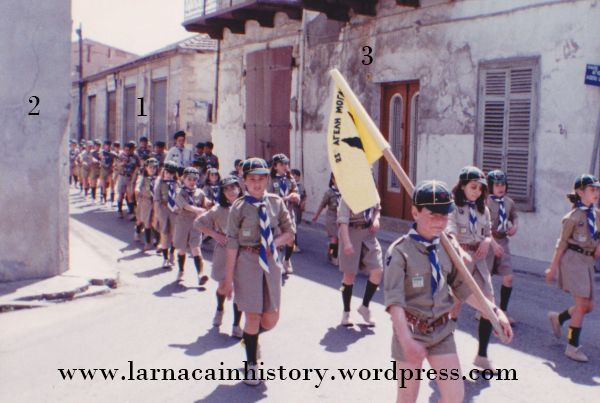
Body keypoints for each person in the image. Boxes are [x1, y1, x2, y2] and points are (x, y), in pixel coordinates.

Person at [385, 180, 513, 403]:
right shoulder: (399, 252)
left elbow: (464, 289)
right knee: (407, 396)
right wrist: (406, 340)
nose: (440, 221)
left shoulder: (448, 249)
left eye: (444, 215)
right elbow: (394, 302)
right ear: (415, 212)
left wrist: (494, 312)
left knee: (455, 396)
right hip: (410, 330)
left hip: (441, 332)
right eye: (433, 214)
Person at [218, 158, 295, 386]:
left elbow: (290, 233)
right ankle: (251, 365)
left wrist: (274, 243)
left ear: (267, 179)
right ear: (244, 181)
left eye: (261, 178)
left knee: (270, 319)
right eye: (252, 179)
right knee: (252, 315)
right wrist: (228, 279)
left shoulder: (276, 203)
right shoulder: (238, 208)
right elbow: (232, 244)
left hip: (271, 263)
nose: (257, 183)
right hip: (247, 262)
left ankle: (250, 339)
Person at [545, 174, 600, 362]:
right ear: (580, 192)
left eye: (598, 190)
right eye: (592, 190)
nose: (596, 193)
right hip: (573, 260)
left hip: (587, 262)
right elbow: (561, 244)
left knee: (588, 306)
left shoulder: (597, 214)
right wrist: (552, 268)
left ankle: (558, 318)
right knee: (582, 304)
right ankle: (572, 346)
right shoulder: (572, 217)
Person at [446, 166, 496, 371]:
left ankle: (482, 355)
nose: (476, 192)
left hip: (479, 259)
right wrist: (460, 250)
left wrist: (487, 241)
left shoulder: (483, 209)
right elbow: (449, 232)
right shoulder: (453, 207)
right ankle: (445, 352)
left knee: (489, 305)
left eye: (480, 189)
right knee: (454, 306)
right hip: (460, 259)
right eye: (473, 187)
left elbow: (488, 232)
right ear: (463, 186)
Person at [194, 175, 244, 337]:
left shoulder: (248, 206)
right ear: (222, 192)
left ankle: (236, 325)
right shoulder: (218, 210)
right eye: (227, 189)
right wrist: (215, 235)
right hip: (225, 251)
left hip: (244, 251)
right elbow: (198, 223)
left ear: (239, 188)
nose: (231, 191)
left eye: (233, 187)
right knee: (223, 286)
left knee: (240, 289)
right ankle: (220, 309)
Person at [337, 196, 383, 327]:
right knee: (349, 275)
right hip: (351, 233)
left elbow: (377, 209)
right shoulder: (348, 195)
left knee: (378, 271)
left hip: (368, 234)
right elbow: (343, 222)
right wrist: (346, 243)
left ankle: (365, 306)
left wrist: (376, 219)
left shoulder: (371, 191)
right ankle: (346, 312)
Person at [485, 170, 519, 324]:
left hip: (503, 240)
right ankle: (485, 310)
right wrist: (491, 242)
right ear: (490, 186)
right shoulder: (484, 202)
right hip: (487, 241)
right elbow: (482, 226)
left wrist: (515, 226)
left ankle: (503, 311)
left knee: (509, 277)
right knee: (486, 278)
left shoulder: (509, 202)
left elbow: (514, 215)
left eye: (503, 184)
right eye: (497, 184)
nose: (501, 187)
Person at [173, 167, 208, 284]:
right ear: (183, 179)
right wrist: (200, 210)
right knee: (182, 249)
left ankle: (200, 274)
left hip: (195, 224)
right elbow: (187, 207)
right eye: (189, 179)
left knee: (196, 248)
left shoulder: (200, 192)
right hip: (182, 223)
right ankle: (181, 271)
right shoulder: (179, 192)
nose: (192, 182)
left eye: (195, 179)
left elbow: (206, 203)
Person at [268, 153, 300, 274]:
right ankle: (277, 263)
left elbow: (296, 192)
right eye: (282, 164)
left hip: (288, 212)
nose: (285, 166)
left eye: (286, 163)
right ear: (275, 166)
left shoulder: (290, 178)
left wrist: (296, 196)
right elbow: (270, 197)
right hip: (275, 214)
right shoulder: (270, 179)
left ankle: (287, 260)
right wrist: (286, 198)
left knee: (291, 238)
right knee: (278, 239)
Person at [155, 161, 179, 267]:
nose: (169, 175)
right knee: (164, 234)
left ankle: (172, 253)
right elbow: (156, 199)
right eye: (167, 172)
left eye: (172, 173)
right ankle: (165, 258)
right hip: (163, 209)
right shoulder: (160, 182)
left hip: (174, 211)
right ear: (164, 171)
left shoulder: (177, 183)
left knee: (175, 234)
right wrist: (156, 215)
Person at [312, 173, 340, 265]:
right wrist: (316, 216)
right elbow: (322, 205)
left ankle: (331, 250)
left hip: (341, 217)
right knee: (334, 237)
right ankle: (333, 256)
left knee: (340, 238)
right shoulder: (329, 193)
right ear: (332, 180)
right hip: (332, 217)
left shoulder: (344, 192)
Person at [135, 158, 159, 251]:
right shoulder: (143, 178)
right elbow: (138, 185)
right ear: (146, 168)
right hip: (145, 202)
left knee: (155, 222)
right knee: (141, 220)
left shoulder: (158, 179)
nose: (152, 169)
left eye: (154, 168)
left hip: (155, 203)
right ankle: (138, 232)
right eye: (150, 167)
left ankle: (154, 241)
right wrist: (137, 190)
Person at [116, 141, 140, 219]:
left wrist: (134, 177)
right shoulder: (121, 155)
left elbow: (137, 167)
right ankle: (119, 210)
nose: (128, 151)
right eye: (126, 150)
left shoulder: (135, 156)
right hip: (122, 176)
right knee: (121, 194)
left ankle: (131, 212)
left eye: (130, 150)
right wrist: (122, 163)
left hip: (131, 178)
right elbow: (116, 165)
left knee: (130, 195)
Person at [290, 168, 306, 252]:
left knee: (296, 225)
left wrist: (303, 203)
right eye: (293, 176)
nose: (295, 178)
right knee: (293, 226)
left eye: (297, 176)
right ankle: (293, 245)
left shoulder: (301, 186)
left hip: (298, 209)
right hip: (291, 208)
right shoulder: (289, 185)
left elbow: (304, 195)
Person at [99, 140, 117, 204]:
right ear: (104, 146)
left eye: (109, 145)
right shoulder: (101, 153)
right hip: (103, 170)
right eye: (106, 145)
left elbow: (117, 159)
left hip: (110, 170)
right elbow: (100, 159)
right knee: (103, 185)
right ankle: (104, 199)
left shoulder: (113, 153)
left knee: (112, 184)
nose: (107, 147)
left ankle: (112, 200)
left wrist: (114, 165)